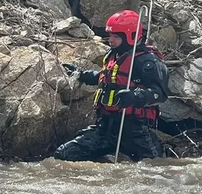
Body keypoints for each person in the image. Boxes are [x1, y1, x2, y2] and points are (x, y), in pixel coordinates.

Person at [55, 10, 169, 162]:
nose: (111, 40)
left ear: (131, 36)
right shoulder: (113, 55)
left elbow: (160, 94)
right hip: (105, 128)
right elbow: (106, 79)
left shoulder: (148, 62)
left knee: (155, 165)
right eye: (110, 36)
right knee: (64, 154)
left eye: (116, 36)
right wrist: (81, 74)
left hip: (134, 132)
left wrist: (136, 96)